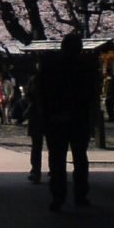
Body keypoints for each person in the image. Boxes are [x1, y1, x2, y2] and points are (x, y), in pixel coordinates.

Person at [39, 32, 100, 212]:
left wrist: (47, 114)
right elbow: (91, 94)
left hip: (55, 119)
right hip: (79, 118)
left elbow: (42, 93)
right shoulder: (86, 67)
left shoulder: (50, 66)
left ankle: (58, 196)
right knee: (80, 157)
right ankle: (81, 194)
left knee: (57, 159)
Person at [24, 68, 45, 184]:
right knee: (54, 145)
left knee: (36, 145)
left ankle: (35, 171)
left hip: (37, 115)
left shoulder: (34, 79)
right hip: (49, 114)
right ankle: (55, 170)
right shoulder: (55, 79)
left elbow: (28, 95)